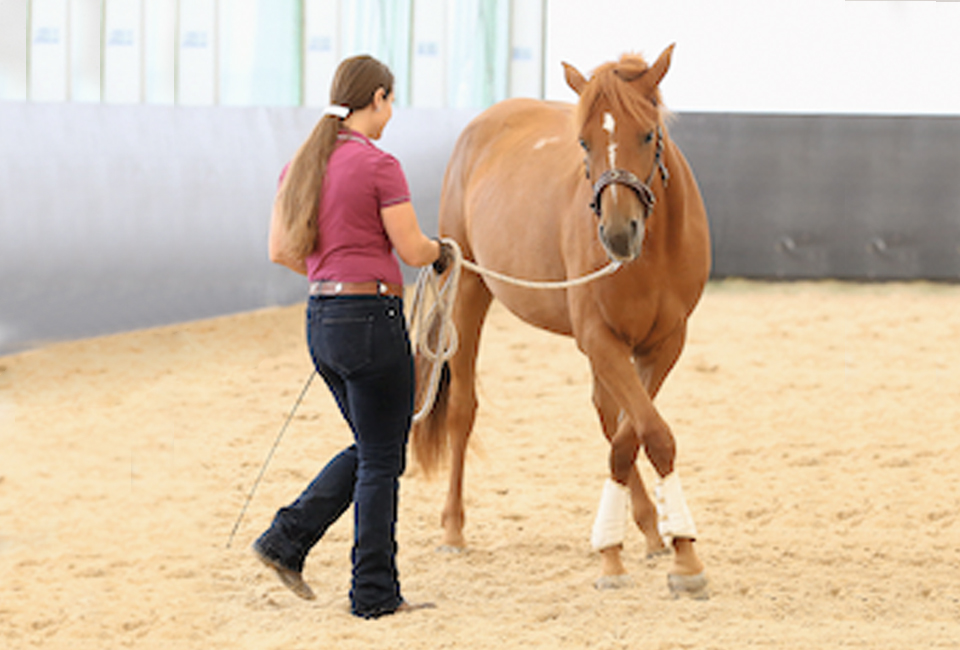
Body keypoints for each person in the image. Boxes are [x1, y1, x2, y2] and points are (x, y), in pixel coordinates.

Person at [252, 54, 451, 619]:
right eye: (391, 102)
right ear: (379, 97)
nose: (392, 113)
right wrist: (444, 252)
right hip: (372, 322)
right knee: (383, 457)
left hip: (321, 321)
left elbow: (280, 251)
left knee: (373, 447)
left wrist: (332, 277)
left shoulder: (300, 165)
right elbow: (412, 250)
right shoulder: (380, 165)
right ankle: (372, 594)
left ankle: (287, 540)